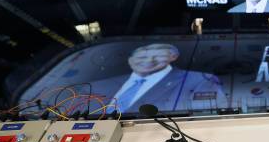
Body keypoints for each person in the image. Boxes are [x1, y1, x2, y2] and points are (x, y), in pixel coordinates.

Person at [91, 43, 226, 113]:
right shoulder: (98, 85)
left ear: (172, 57)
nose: (149, 61)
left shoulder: (200, 80)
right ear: (130, 60)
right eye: (142, 57)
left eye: (157, 56)